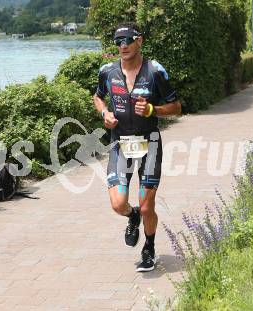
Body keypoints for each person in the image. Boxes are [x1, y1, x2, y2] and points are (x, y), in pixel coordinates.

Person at [93, 22, 181, 272]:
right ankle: (132, 216)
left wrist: (154, 109)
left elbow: (176, 106)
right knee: (118, 204)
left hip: (149, 145)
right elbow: (98, 97)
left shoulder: (155, 71)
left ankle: (149, 247)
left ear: (139, 41)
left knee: (147, 206)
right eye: (118, 42)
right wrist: (104, 113)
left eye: (127, 41)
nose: (122, 46)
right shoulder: (107, 71)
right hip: (120, 145)